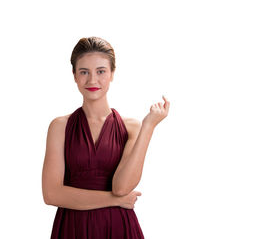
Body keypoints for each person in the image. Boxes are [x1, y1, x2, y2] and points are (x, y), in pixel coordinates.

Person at [41, 36, 170, 238]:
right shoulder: (59, 127)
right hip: (74, 228)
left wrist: (149, 126)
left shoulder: (132, 127)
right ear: (74, 75)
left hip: (119, 227)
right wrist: (115, 201)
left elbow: (121, 187)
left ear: (112, 74)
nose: (92, 80)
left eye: (101, 71)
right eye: (84, 72)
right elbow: (51, 194)